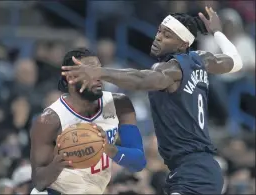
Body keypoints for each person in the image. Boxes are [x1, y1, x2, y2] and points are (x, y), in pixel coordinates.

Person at [62, 7, 243, 195]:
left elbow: (142, 79)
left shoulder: (171, 69)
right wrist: (217, 32)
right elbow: (235, 61)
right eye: (159, 31)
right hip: (194, 169)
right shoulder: (202, 59)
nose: (158, 37)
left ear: (182, 45)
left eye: (167, 35)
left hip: (194, 172)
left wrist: (100, 72)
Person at [30, 48, 146, 194]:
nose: (98, 77)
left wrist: (110, 149)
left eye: (99, 70)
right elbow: (38, 182)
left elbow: (139, 163)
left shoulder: (119, 104)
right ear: (71, 78)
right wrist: (57, 165)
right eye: (90, 72)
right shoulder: (49, 120)